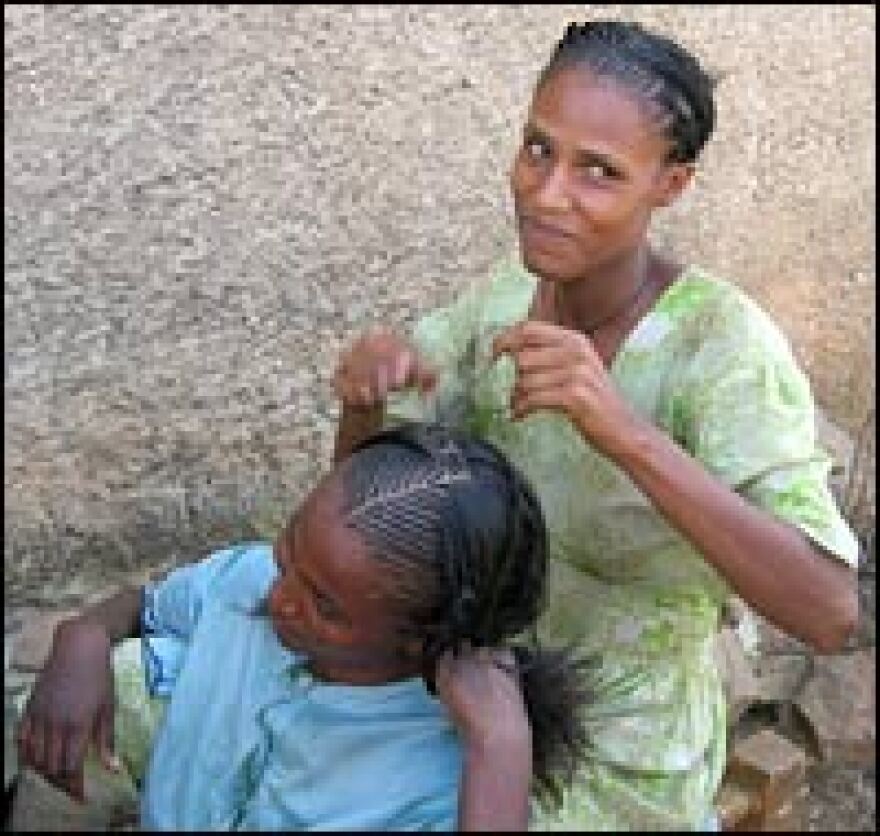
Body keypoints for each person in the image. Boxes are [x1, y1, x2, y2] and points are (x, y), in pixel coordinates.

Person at [333, 20, 861, 831]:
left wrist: (626, 434)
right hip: (468, 688)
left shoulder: (718, 349)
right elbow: (365, 511)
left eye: (600, 172)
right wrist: (365, 402)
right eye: (538, 149)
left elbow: (829, 612)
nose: (547, 194)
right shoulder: (504, 301)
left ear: (671, 185)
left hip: (620, 751)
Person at [15, 423, 590, 830]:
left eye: (326, 608)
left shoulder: (439, 779)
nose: (278, 598)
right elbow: (144, 605)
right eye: (289, 554)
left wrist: (501, 746)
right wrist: (83, 636)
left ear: (421, 641)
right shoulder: (247, 580)